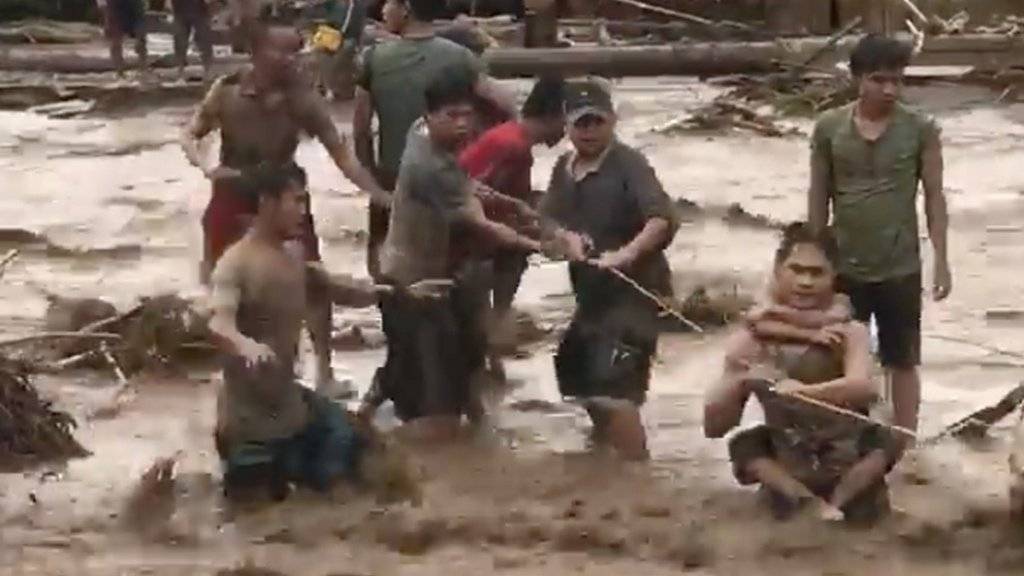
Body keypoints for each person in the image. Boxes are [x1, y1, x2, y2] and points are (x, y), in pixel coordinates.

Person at [181, 24, 387, 394]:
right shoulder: (226, 91)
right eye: (282, 51)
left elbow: (341, 154)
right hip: (234, 188)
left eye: (296, 50)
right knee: (223, 280)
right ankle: (240, 365)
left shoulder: (303, 99)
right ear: (256, 51)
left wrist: (378, 193)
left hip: (283, 192)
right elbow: (191, 134)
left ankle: (324, 370)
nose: (292, 59)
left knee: (313, 279)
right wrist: (207, 166)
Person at [370, 68, 541, 440]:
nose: (463, 125)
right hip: (414, 285)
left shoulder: (422, 135)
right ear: (430, 116)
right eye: (452, 117)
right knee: (436, 407)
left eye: (467, 115)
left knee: (442, 362)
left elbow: (468, 185)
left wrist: (511, 204)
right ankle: (390, 453)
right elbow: (479, 223)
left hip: (428, 276)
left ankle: (375, 417)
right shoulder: (428, 166)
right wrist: (540, 245)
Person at [208, 163, 388, 500]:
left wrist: (399, 292)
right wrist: (244, 344)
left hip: (292, 407)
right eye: (297, 201)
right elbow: (219, 323)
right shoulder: (234, 264)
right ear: (267, 203)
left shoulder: (293, 254)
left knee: (358, 449)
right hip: (249, 423)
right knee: (258, 522)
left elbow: (334, 289)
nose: (303, 212)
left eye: (306, 202)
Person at [705, 223, 899, 524]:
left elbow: (864, 388)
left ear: (834, 277)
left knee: (889, 436)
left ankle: (835, 504)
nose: (805, 282)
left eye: (816, 273)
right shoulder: (753, 338)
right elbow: (714, 427)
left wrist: (802, 392)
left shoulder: (850, 332)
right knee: (745, 445)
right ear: (778, 271)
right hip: (788, 469)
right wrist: (738, 381)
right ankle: (806, 502)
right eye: (796, 270)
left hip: (847, 466)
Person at [808, 34, 951, 438]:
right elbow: (819, 196)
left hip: (900, 264)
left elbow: (935, 199)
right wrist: (815, 258)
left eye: (896, 80)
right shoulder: (829, 128)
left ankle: (904, 443)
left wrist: (941, 260)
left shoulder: (920, 128)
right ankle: (848, 435)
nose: (889, 89)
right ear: (856, 79)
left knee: (902, 359)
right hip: (844, 263)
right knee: (838, 355)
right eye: (878, 80)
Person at [540, 78, 678, 461]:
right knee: (577, 376)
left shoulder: (629, 164)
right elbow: (546, 220)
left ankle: (639, 473)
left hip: (635, 294)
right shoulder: (563, 169)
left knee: (616, 391)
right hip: (591, 299)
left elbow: (661, 220)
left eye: (597, 122)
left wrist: (626, 255)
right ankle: (605, 462)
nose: (589, 131)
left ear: (613, 121)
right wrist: (563, 237)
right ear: (566, 125)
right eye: (581, 123)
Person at [353, 0, 517, 279]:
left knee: (387, 273)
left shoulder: (374, 58)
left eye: (388, 3)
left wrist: (371, 178)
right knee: (449, 272)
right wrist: (479, 161)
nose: (382, 10)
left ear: (406, 8)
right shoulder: (461, 57)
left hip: (392, 179)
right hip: (448, 179)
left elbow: (360, 128)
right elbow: (508, 108)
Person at [457, 76, 567, 376]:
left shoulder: (512, 139)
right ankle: (487, 348)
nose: (567, 132)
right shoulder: (512, 146)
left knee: (517, 255)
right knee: (510, 258)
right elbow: (471, 191)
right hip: (467, 235)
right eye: (567, 122)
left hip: (481, 229)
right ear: (555, 116)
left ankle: (492, 347)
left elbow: (507, 197)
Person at [96, 0, 148, 79]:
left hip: (134, 5)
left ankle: (143, 68)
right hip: (115, 6)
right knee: (116, 39)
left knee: (140, 36)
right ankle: (120, 71)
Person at [170, 0, 214, 81]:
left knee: (204, 39)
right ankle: (180, 71)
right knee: (180, 41)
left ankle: (208, 70)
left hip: (200, 10)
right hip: (180, 9)